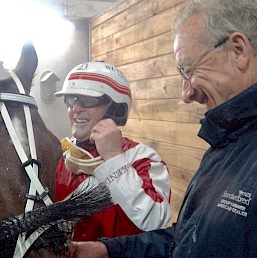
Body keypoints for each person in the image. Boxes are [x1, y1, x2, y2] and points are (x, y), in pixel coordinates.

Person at [66, 0, 257, 257]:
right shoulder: (233, 133)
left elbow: (155, 219)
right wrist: (108, 251)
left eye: (188, 71)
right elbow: (189, 240)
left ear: (238, 50)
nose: (186, 94)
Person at [54, 61, 172, 241]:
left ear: (115, 108)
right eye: (71, 99)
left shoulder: (142, 158)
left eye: (88, 100)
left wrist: (113, 158)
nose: (76, 109)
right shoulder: (59, 155)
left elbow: (154, 222)